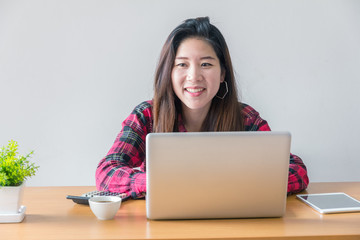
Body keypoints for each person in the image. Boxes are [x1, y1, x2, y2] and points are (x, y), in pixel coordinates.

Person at [95, 17, 309, 199]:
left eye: (206, 64)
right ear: (168, 72)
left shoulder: (245, 118)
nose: (194, 76)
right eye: (182, 64)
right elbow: (106, 173)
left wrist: (230, 183)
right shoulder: (148, 115)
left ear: (223, 73)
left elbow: (296, 170)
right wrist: (158, 182)